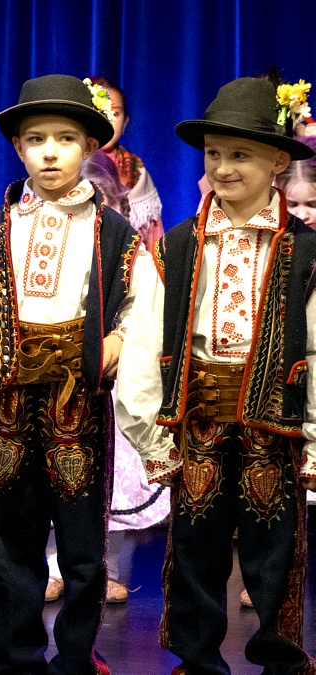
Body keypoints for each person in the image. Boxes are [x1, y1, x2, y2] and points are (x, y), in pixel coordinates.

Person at [117, 76, 316, 674]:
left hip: (274, 426)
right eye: (214, 154)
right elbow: (144, 347)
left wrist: (312, 438)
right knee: (195, 549)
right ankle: (197, 662)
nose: (223, 168)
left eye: (240, 154)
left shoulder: (306, 253)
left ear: (277, 161)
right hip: (199, 421)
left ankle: (281, 661)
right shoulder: (176, 248)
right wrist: (152, 437)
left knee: (274, 555)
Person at [0, 74, 141, 674]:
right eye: (36, 140)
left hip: (77, 397)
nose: (50, 152)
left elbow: (139, 302)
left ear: (89, 146)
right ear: (18, 147)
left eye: (65, 139)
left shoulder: (112, 230)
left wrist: (119, 339)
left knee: (82, 545)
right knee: (8, 538)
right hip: (10, 397)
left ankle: (77, 659)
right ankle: (13, 660)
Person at [44, 151, 170, 605]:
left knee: (111, 479)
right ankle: (53, 566)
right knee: (56, 475)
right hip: (57, 377)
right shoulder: (47, 243)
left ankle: (109, 569)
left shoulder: (127, 248)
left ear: (115, 201)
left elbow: (143, 308)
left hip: (111, 379)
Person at [88, 76, 165, 246]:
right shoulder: (66, 165)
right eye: (98, 112)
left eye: (114, 113)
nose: (107, 120)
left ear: (125, 122)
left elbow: (154, 241)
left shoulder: (136, 171)